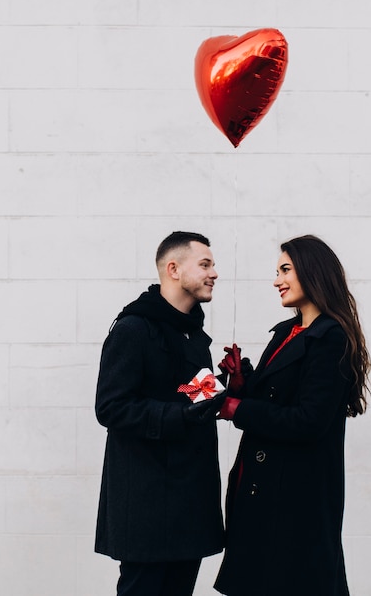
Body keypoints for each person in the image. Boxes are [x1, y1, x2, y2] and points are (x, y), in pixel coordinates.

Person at [214, 234, 371, 596]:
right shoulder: (288, 330)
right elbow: (276, 398)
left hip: (296, 499)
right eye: (277, 271)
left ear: (312, 271)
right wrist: (241, 383)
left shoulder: (331, 338)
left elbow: (308, 420)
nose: (276, 280)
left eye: (285, 270)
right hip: (262, 489)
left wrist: (238, 408)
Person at [95, 231, 225, 596]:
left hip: (189, 501)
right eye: (205, 264)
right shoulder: (134, 329)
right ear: (173, 269)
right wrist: (178, 416)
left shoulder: (192, 334)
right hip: (147, 507)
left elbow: (185, 394)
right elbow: (110, 406)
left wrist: (226, 384)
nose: (214, 273)